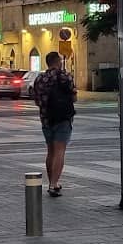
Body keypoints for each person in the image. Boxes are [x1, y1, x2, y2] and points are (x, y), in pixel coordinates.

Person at [31, 52, 77, 197]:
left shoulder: (40, 78)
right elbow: (74, 97)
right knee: (59, 151)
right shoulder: (65, 76)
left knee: (50, 151)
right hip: (63, 118)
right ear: (58, 62)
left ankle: (52, 181)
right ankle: (53, 184)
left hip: (46, 118)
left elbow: (37, 100)